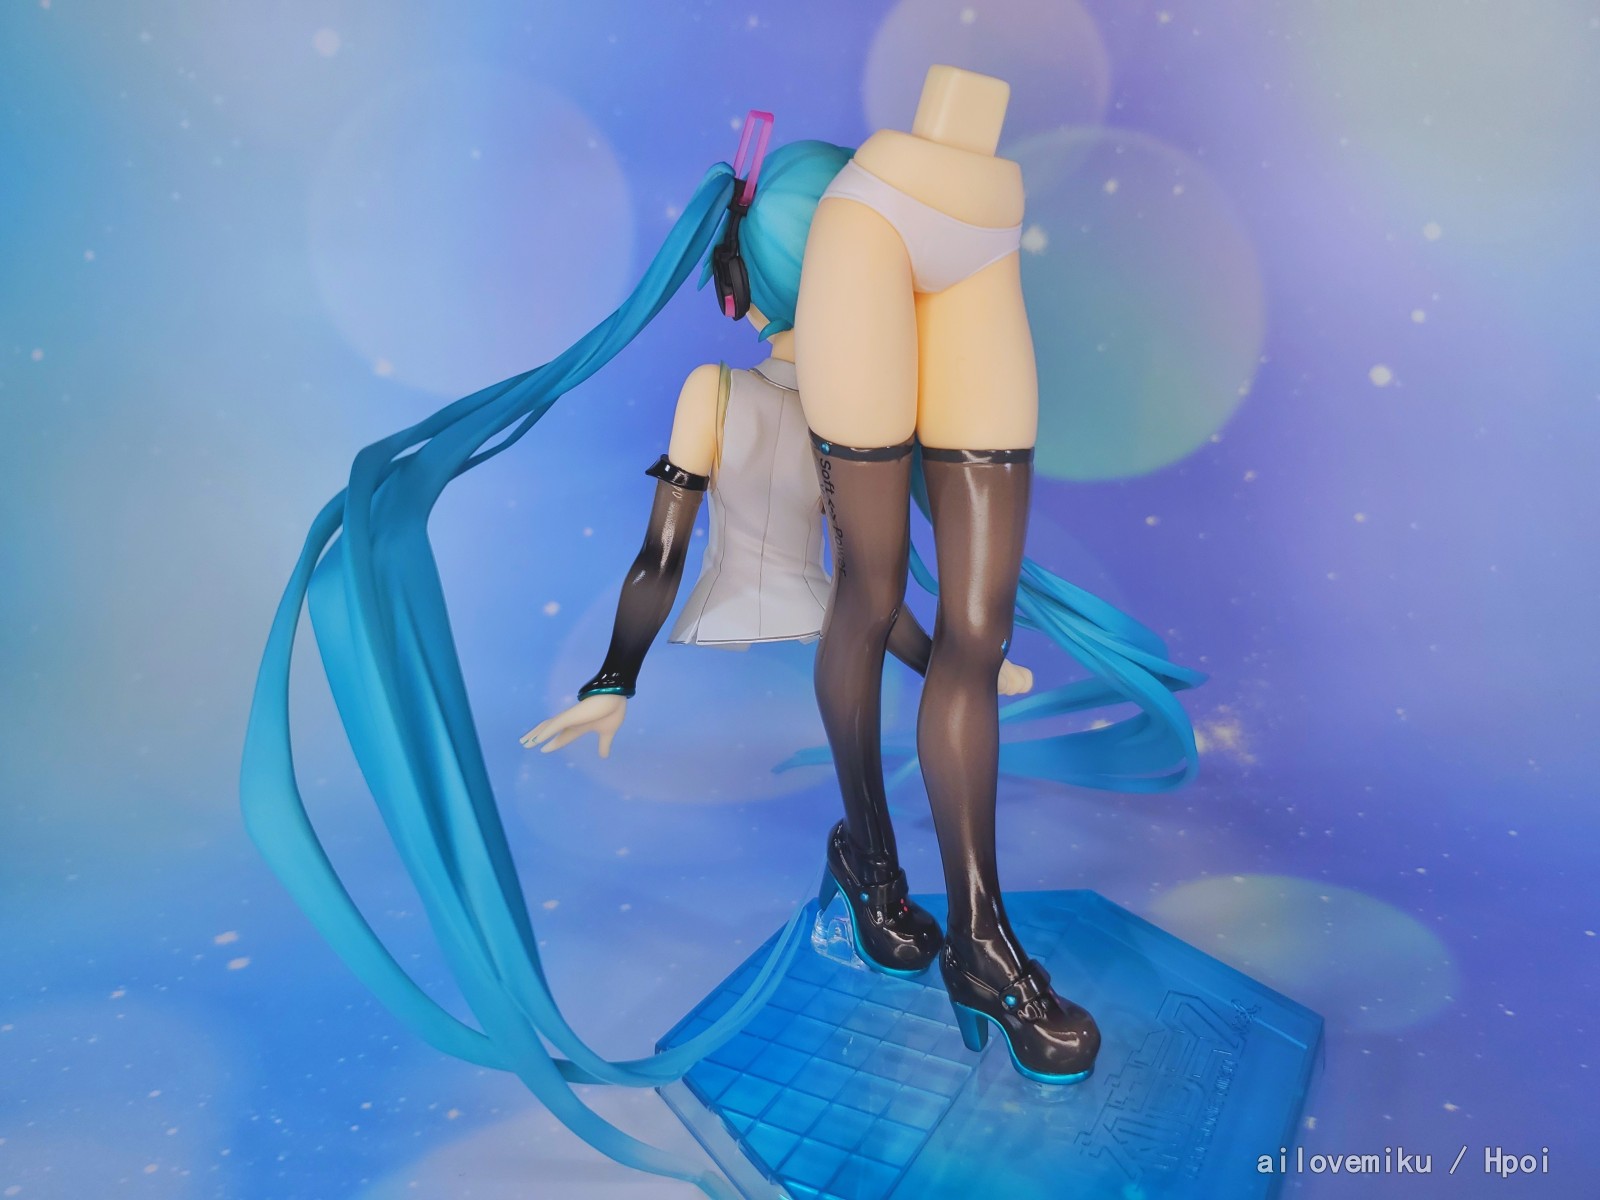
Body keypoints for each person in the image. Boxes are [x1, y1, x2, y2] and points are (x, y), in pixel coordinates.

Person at [241, 109, 1204, 1199]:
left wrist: (958, 656)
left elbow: (870, 592)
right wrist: (614, 677)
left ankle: (886, 880)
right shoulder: (728, 391)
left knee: (883, 598)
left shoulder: (871, 370)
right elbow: (673, 554)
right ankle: (879, 873)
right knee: (871, 595)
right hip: (793, 577)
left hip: (849, 555)